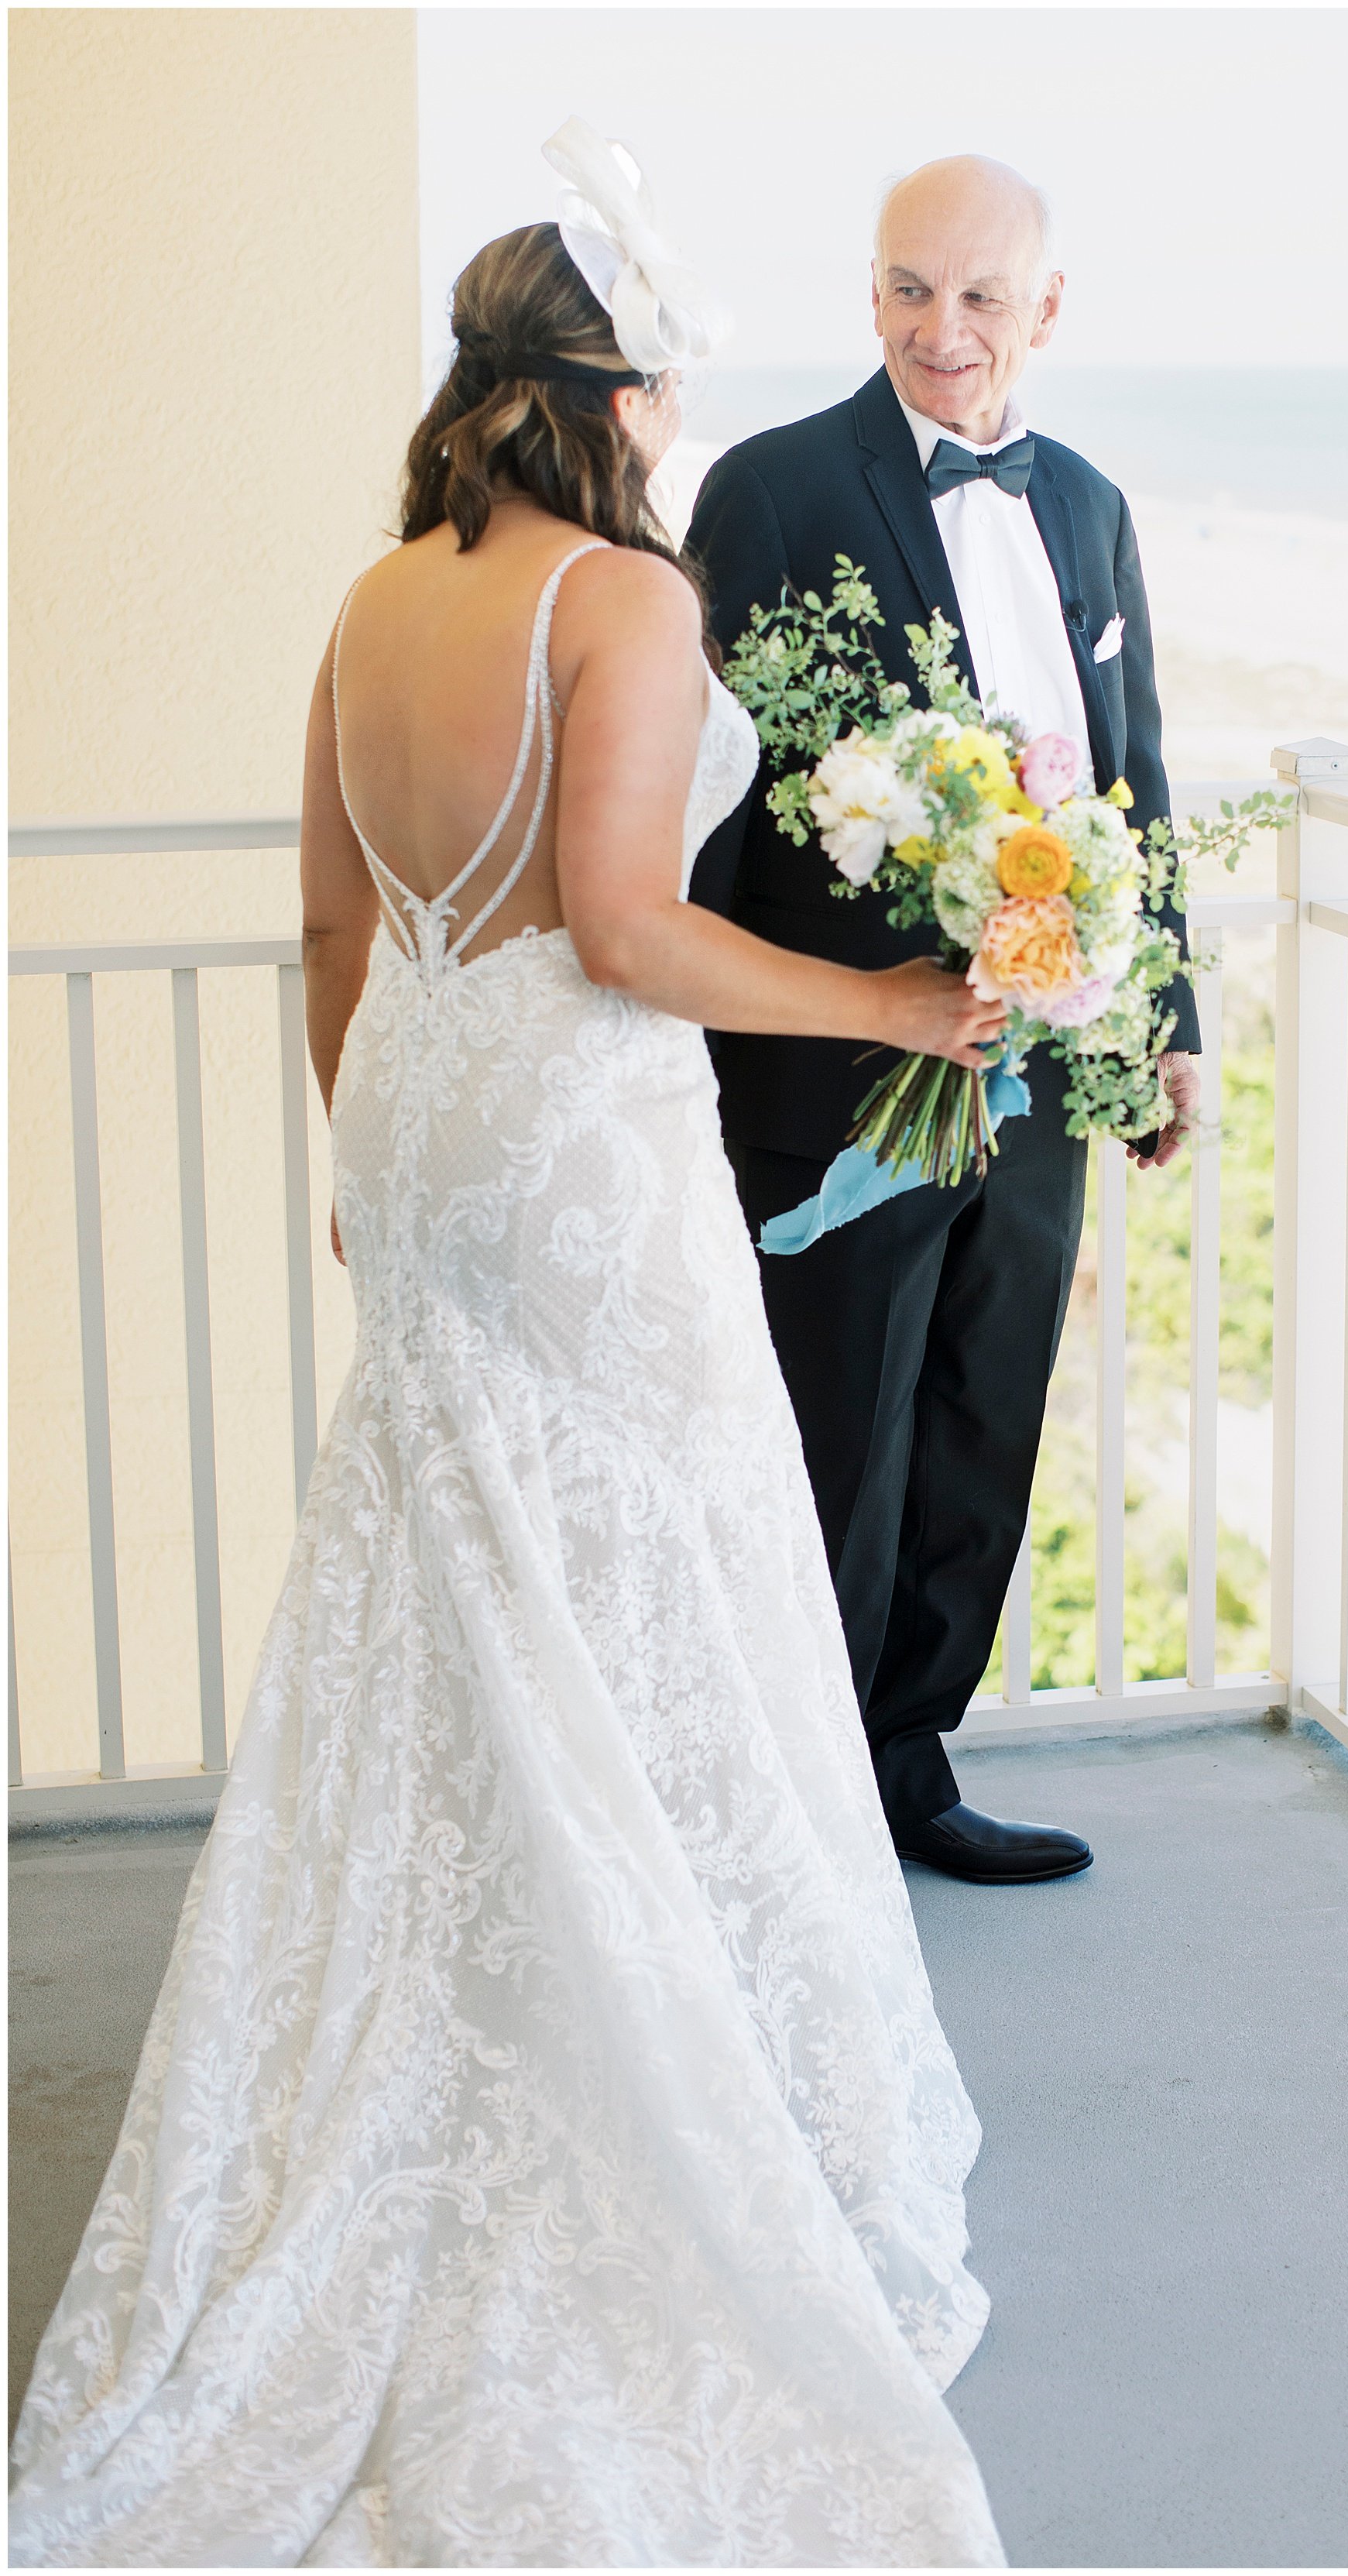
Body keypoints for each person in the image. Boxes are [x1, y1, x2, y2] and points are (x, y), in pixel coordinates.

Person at [9, 125, 1004, 2571]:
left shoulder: (370, 601)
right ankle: (669, 2068)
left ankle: (445, 2012)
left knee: (455, 1562)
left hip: (428, 1126)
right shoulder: (621, 603)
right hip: (573, 1129)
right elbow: (630, 932)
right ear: (624, 387)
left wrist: (370, 1160)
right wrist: (894, 995)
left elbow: (331, 933)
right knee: (653, 1549)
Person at [687, 157, 1201, 1887]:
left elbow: (1129, 784)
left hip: (1042, 1069)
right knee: (828, 1440)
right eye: (909, 288)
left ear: (1043, 314)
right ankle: (789, 1823)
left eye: (979, 297)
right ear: (872, 293)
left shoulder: (1092, 508)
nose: (940, 329)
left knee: (980, 1419)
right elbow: (706, 797)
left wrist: (1161, 1020)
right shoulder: (768, 490)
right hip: (835, 1075)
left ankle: (905, 1774)